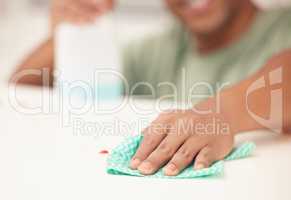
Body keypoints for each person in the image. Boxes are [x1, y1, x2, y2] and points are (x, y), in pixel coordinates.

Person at [11, 0, 291, 176]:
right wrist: (66, 30)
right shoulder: (160, 50)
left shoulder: (282, 27)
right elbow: (21, 92)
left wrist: (219, 116)